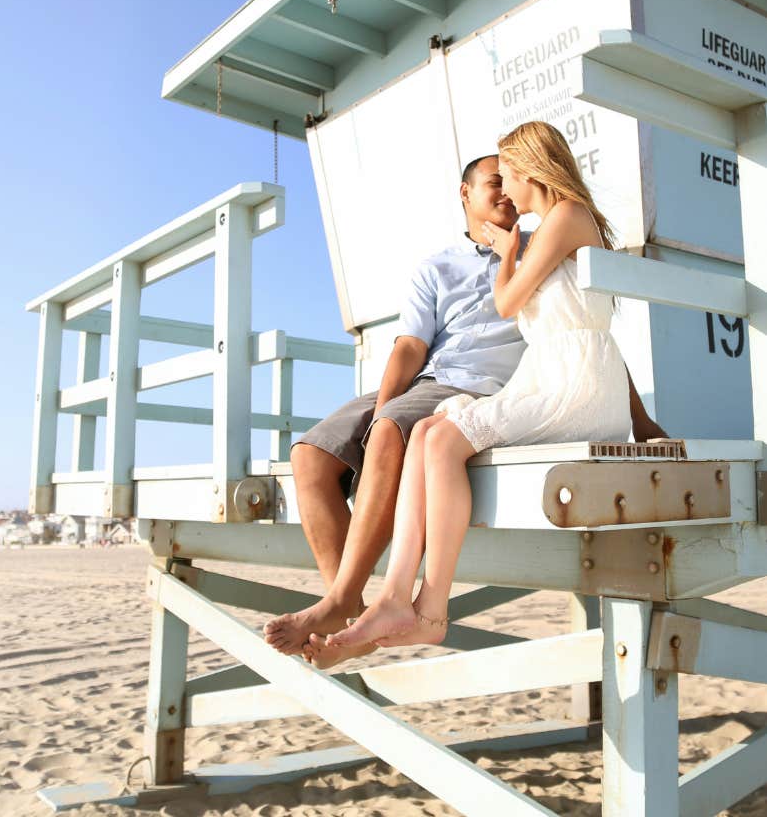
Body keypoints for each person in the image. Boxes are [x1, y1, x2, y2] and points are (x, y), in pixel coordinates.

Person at [264, 145, 664, 667]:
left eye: (511, 179)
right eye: (493, 182)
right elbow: (410, 345)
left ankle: (344, 602)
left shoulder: (542, 248)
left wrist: (641, 420)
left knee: (392, 430)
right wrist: (386, 407)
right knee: (309, 457)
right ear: (466, 194)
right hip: (427, 378)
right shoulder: (437, 267)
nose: (505, 190)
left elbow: (584, 337)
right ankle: (349, 606)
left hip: (490, 389)